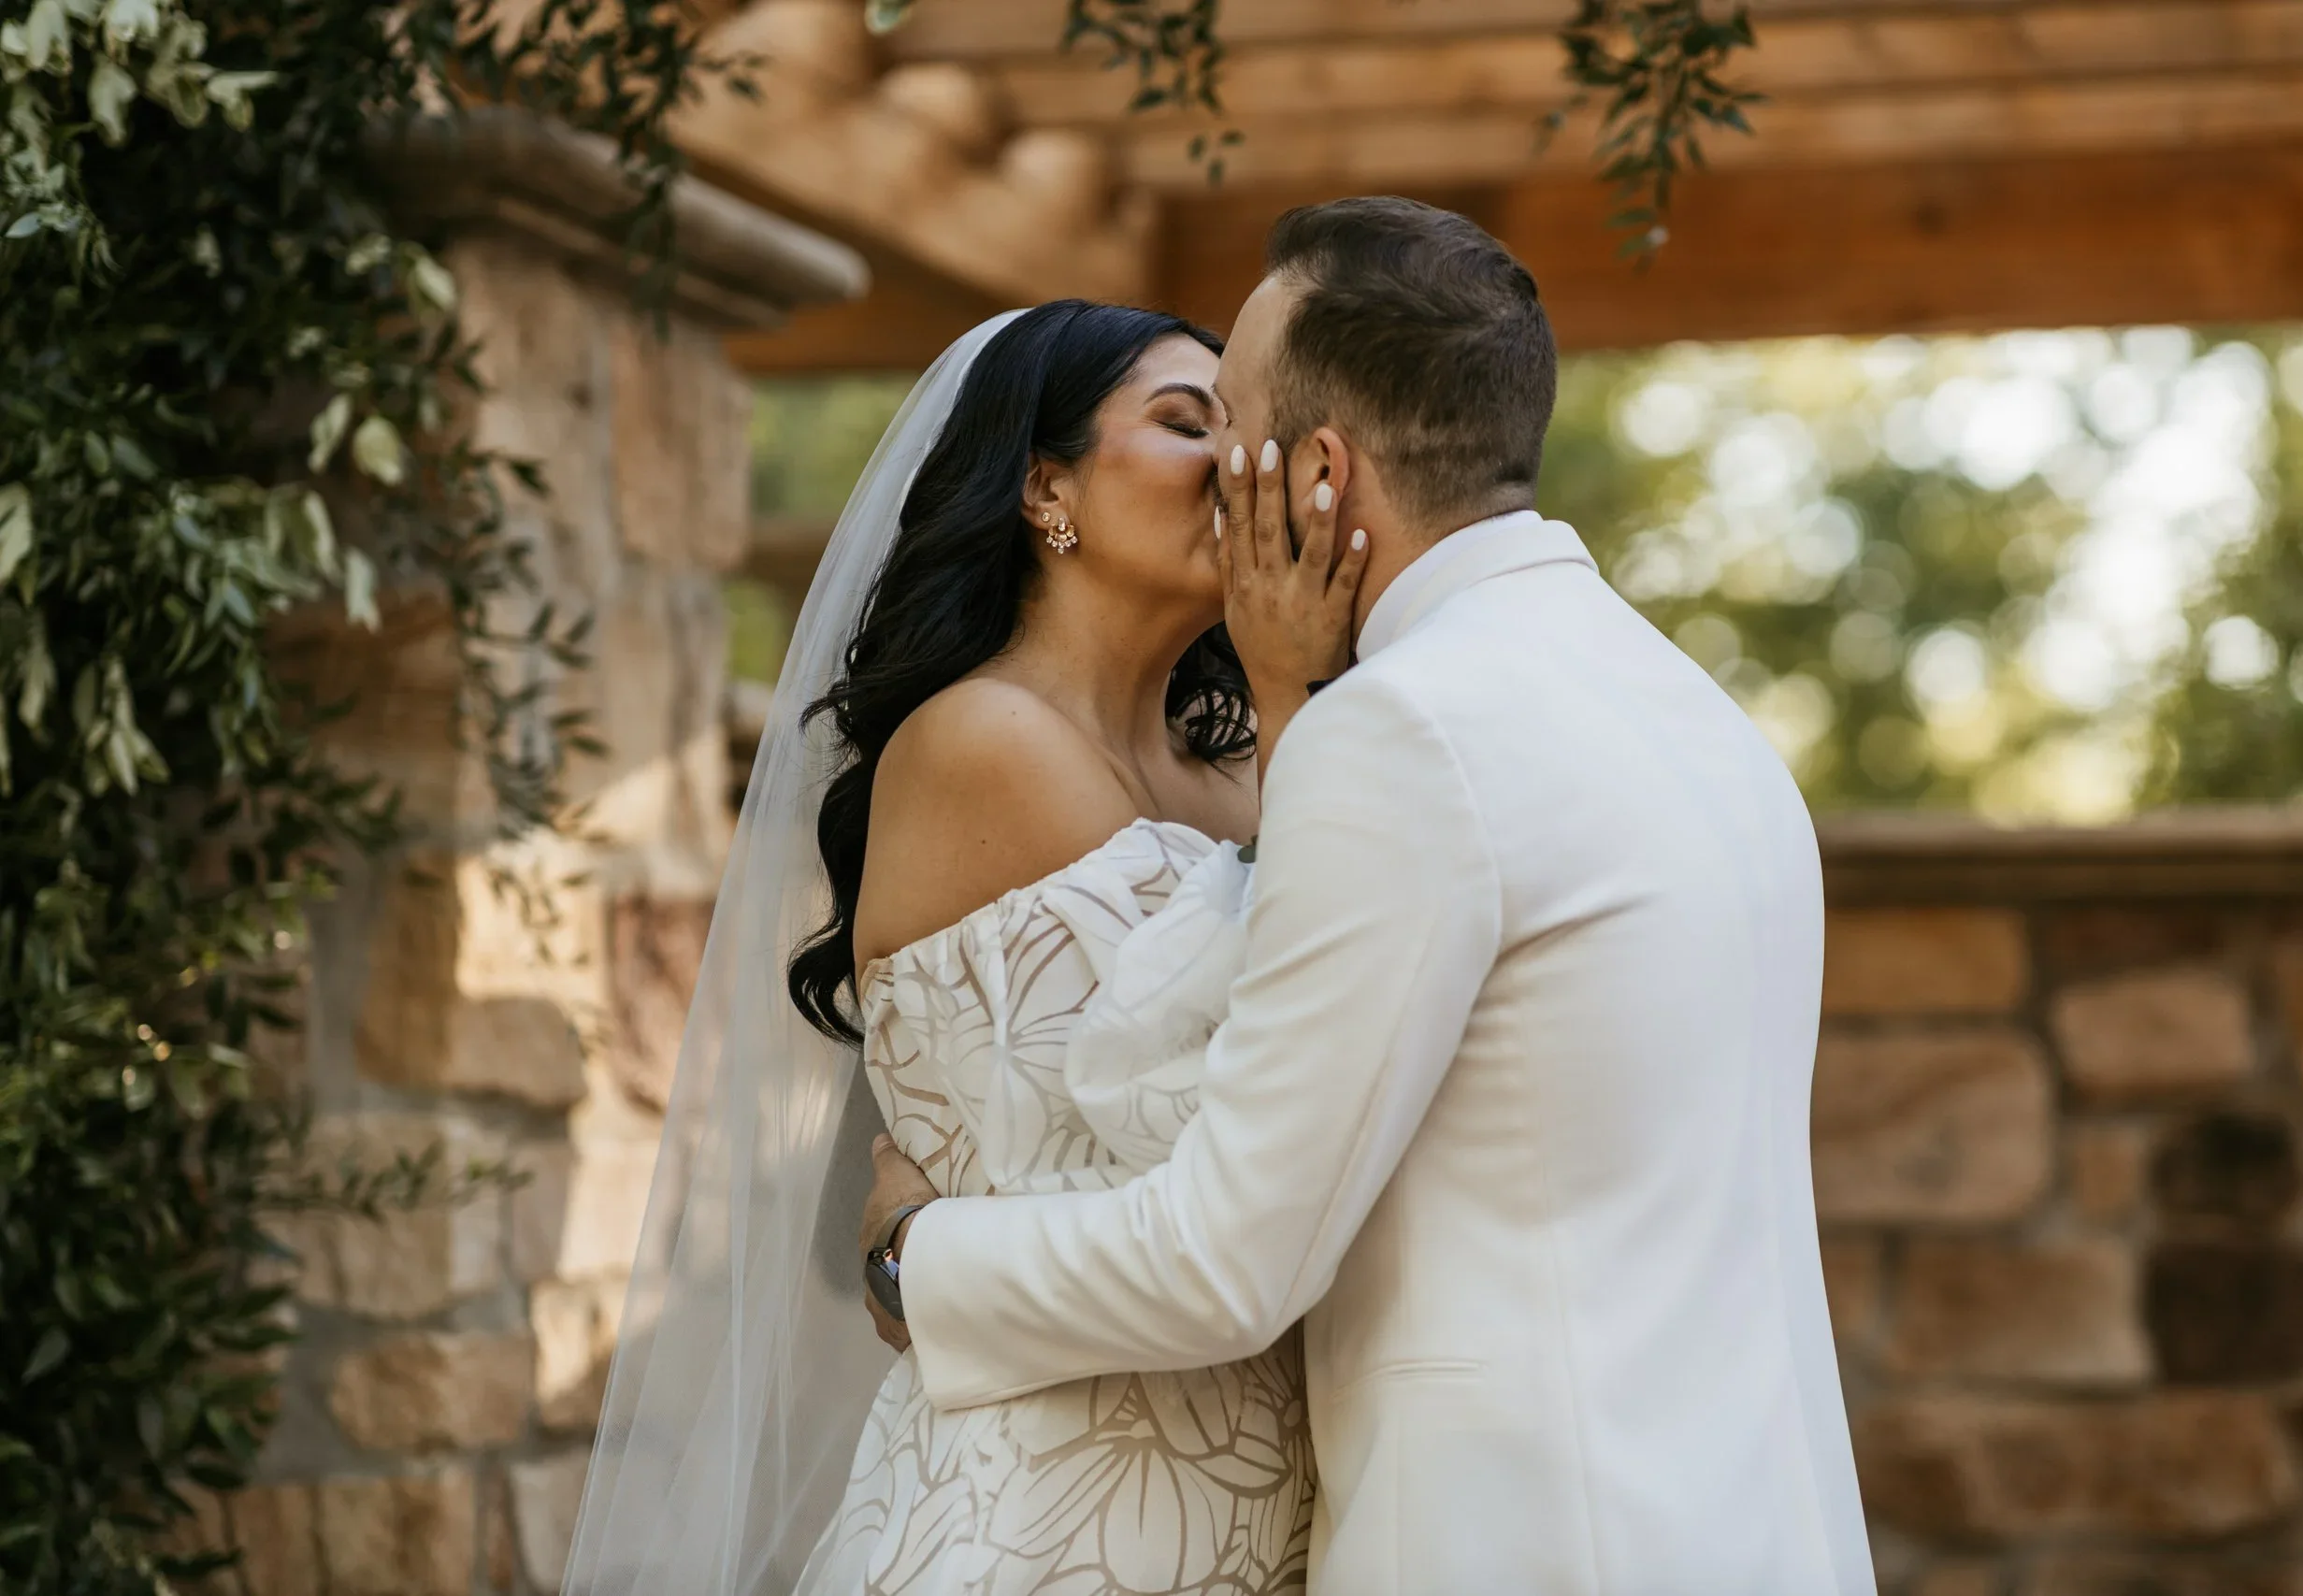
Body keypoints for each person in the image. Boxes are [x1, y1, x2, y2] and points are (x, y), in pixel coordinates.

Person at [859, 197, 1878, 1594]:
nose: (1223, 464)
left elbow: (1227, 1254)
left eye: (1235, 419)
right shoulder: (1700, 720)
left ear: (1321, 470)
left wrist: (914, 1261)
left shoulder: (1402, 734)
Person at [557, 299, 1361, 1596]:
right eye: (1182, 422)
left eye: (1249, 429)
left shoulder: (1240, 777)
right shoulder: (980, 744)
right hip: (1051, 1521)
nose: (1237, 463)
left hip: (1254, 1511)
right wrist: (1290, 694)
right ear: (1046, 487)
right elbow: (1238, 1109)